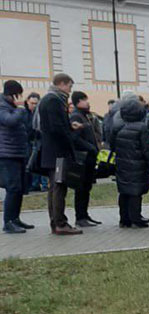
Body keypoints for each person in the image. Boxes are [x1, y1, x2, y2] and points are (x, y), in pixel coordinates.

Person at [38, 73, 82, 235]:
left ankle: (56, 222)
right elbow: (56, 128)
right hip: (58, 152)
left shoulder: (50, 99)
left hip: (53, 151)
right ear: (61, 84)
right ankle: (60, 223)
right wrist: (69, 136)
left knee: (55, 187)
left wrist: (70, 126)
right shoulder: (53, 100)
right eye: (70, 86)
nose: (70, 90)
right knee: (58, 187)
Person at [110, 96, 149, 228]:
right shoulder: (141, 128)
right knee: (136, 191)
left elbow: (112, 145)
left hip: (121, 163)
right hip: (138, 164)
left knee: (124, 191)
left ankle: (124, 219)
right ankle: (136, 217)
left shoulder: (117, 126)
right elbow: (147, 149)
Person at [0, 80, 33, 233]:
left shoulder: (12, 107)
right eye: (18, 94)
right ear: (12, 94)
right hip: (7, 154)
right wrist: (20, 108)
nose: (20, 97)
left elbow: (24, 125)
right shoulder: (2, 106)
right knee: (13, 188)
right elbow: (10, 121)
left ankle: (16, 219)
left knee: (19, 188)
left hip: (19, 152)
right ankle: (8, 222)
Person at [69, 91, 103, 227]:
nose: (88, 102)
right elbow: (75, 138)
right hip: (82, 158)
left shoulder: (85, 116)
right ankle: (80, 217)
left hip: (89, 158)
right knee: (81, 188)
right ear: (78, 102)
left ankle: (85, 214)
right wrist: (91, 147)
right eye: (85, 100)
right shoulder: (76, 116)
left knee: (87, 187)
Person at [23, 93, 46, 193]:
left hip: (36, 141)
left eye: (36, 103)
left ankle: (35, 184)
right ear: (27, 101)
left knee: (36, 163)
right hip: (27, 142)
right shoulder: (24, 113)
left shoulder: (39, 113)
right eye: (32, 103)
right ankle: (30, 185)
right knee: (28, 164)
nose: (34, 105)